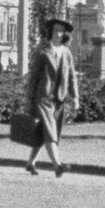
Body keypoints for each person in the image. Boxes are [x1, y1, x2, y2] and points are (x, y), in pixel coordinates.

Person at [24, 18, 80, 178]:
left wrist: (75, 97)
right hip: (43, 98)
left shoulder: (66, 52)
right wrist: (28, 100)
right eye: (56, 30)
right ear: (50, 32)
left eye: (61, 31)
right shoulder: (43, 51)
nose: (58, 34)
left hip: (59, 100)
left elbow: (72, 76)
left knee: (44, 134)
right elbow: (33, 77)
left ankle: (30, 163)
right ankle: (58, 166)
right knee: (50, 132)